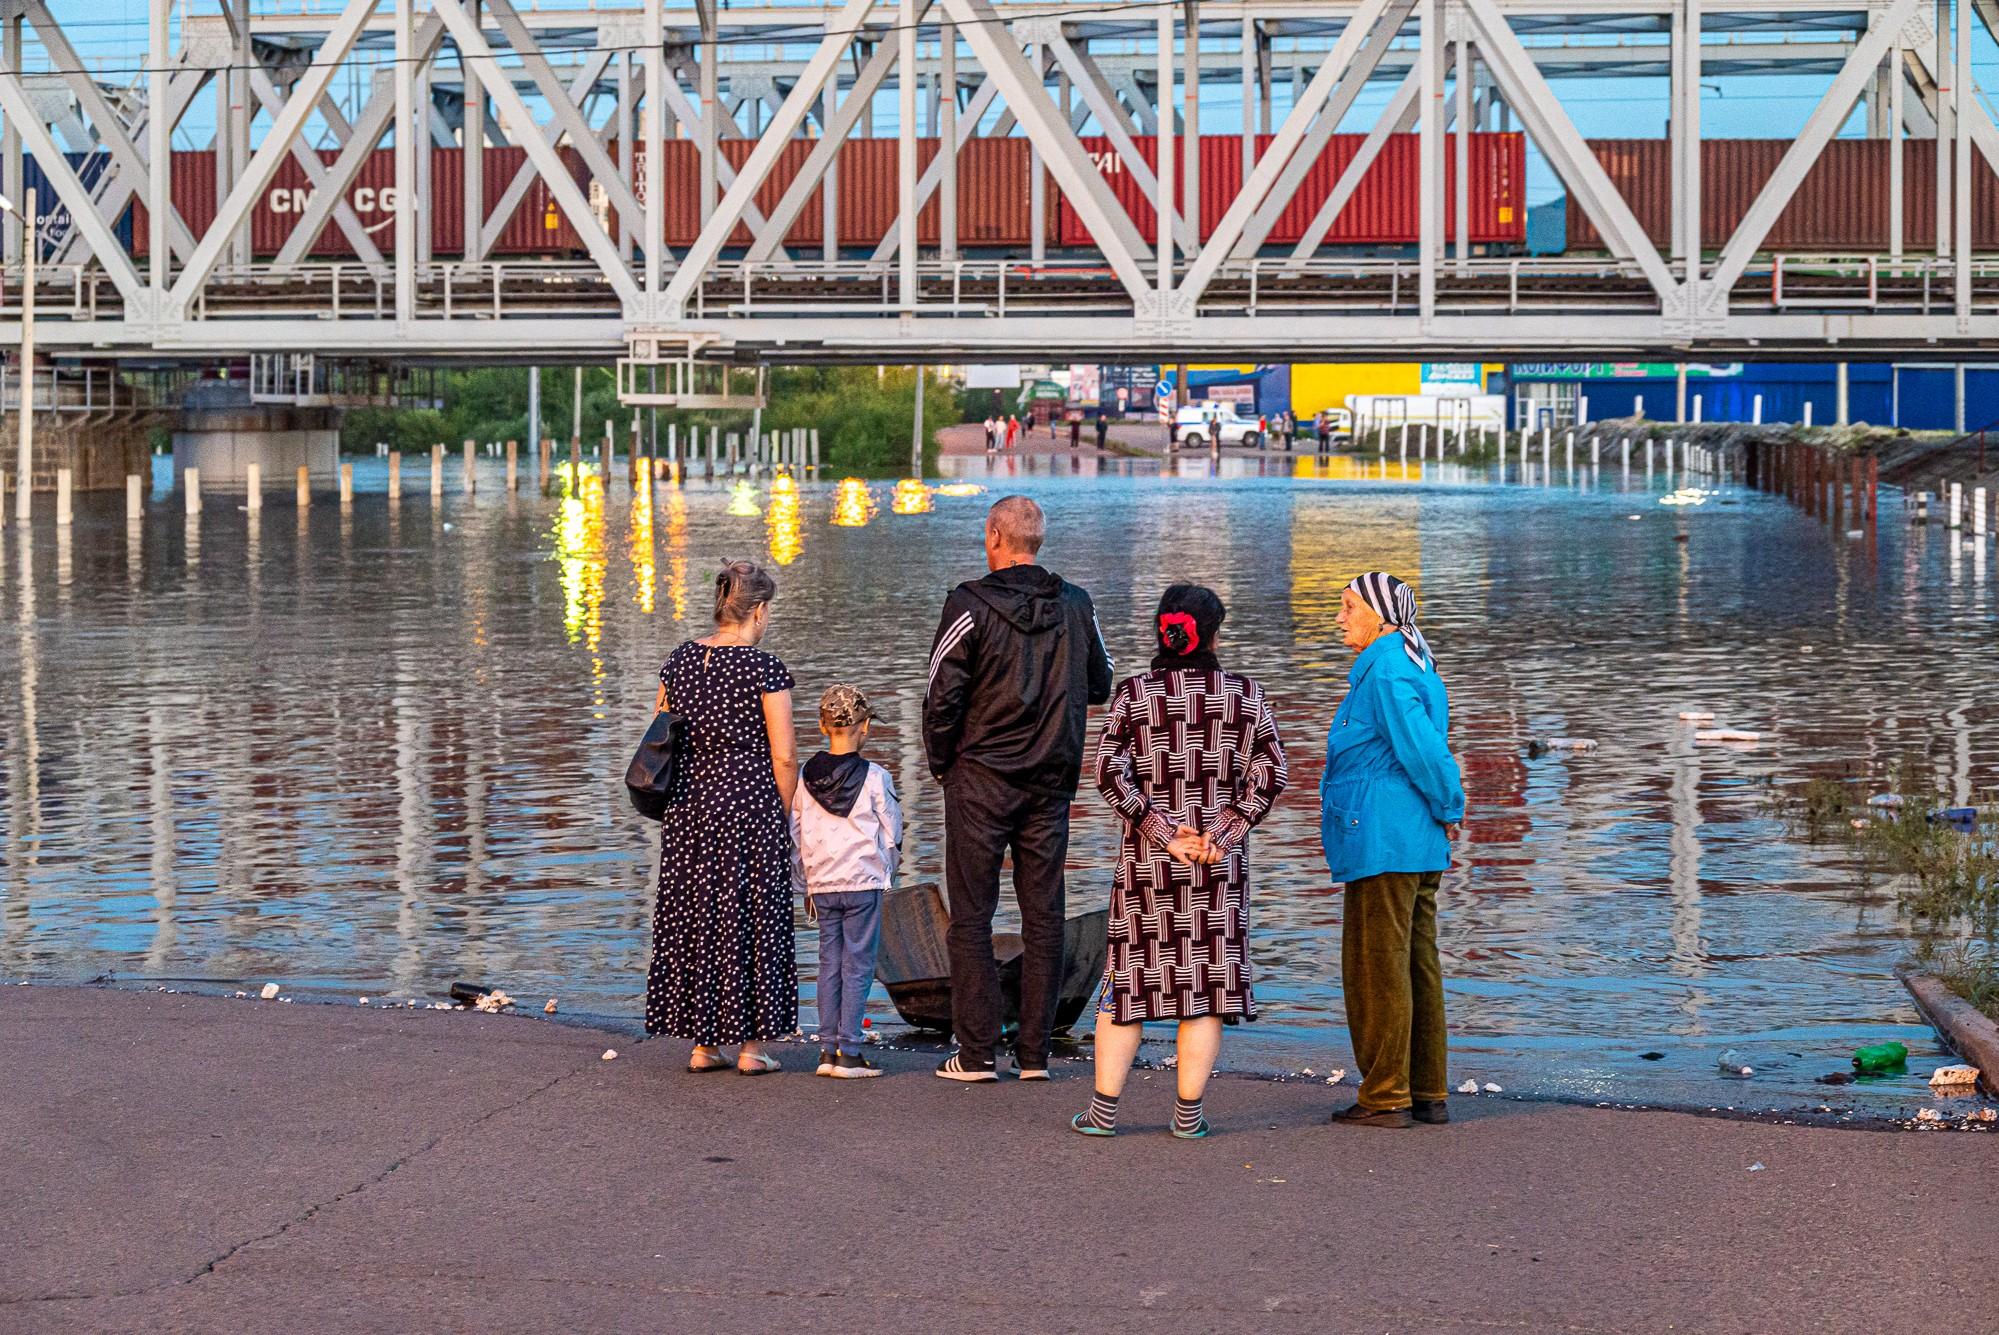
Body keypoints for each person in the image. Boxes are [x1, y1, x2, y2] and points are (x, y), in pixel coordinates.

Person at [1073, 585, 1288, 1140]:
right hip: (1217, 868)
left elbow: (1107, 773)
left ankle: (1103, 1114)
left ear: (1161, 633)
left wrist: (1163, 832)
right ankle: (1187, 1117)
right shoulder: (1246, 696)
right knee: (1207, 988)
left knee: (1128, 987)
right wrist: (1225, 831)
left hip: (1150, 866)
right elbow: (1272, 772)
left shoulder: (1133, 696)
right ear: (1213, 635)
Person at [924, 496, 1114, 1081]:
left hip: (979, 779)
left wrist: (942, 765)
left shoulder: (968, 605)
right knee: (1043, 915)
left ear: (993, 536)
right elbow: (1101, 683)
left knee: (973, 917)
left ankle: (976, 1054)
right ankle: (1035, 1055)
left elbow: (940, 697)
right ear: (1038, 541)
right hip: (1050, 781)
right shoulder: (1076, 605)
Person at [1321, 571, 1465, 1128]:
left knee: (1377, 967)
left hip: (1385, 837)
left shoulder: (1384, 669)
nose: (1339, 617)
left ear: (1380, 617)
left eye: (1347, 606)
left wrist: (1451, 804)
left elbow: (1423, 749)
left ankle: (1385, 1096)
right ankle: (1426, 1091)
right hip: (1414, 837)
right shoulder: (1414, 661)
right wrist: (1443, 814)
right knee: (1416, 964)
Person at [647, 561, 799, 1075]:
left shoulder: (680, 661)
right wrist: (783, 815)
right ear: (757, 611)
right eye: (768, 610)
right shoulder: (763, 668)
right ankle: (753, 1049)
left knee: (701, 918)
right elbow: (784, 756)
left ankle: (702, 1045)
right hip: (748, 807)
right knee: (751, 918)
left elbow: (660, 733)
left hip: (690, 807)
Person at [791, 684, 902, 1080]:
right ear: (866, 726)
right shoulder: (875, 776)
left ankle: (826, 1049)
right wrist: (888, 870)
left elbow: (796, 831)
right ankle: (850, 1052)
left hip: (822, 882)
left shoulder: (805, 776)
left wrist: (803, 882)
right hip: (862, 881)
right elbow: (892, 832)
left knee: (828, 962)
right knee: (858, 965)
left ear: (822, 725)